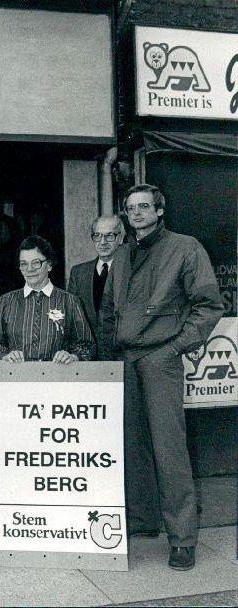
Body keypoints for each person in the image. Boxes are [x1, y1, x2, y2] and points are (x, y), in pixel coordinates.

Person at [100, 184, 223, 571]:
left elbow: (208, 306)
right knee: (132, 446)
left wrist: (173, 349)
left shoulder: (185, 248)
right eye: (131, 208)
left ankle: (183, 539)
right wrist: (110, 357)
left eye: (144, 206)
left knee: (170, 450)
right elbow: (108, 312)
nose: (137, 212)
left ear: (159, 210)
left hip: (161, 359)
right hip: (126, 360)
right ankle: (143, 521)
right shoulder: (121, 254)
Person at [0, 235, 94, 363]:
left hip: (57, 378)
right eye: (23, 264)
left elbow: (87, 346)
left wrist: (72, 357)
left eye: (36, 263)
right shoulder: (6, 301)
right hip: (16, 377)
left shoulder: (70, 301)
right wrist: (5, 356)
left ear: (49, 265)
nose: (29, 269)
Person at [67, 215, 125, 357]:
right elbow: (71, 318)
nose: (102, 242)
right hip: (88, 358)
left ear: (121, 238)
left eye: (109, 236)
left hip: (123, 357)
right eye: (97, 236)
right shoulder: (78, 273)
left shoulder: (131, 272)